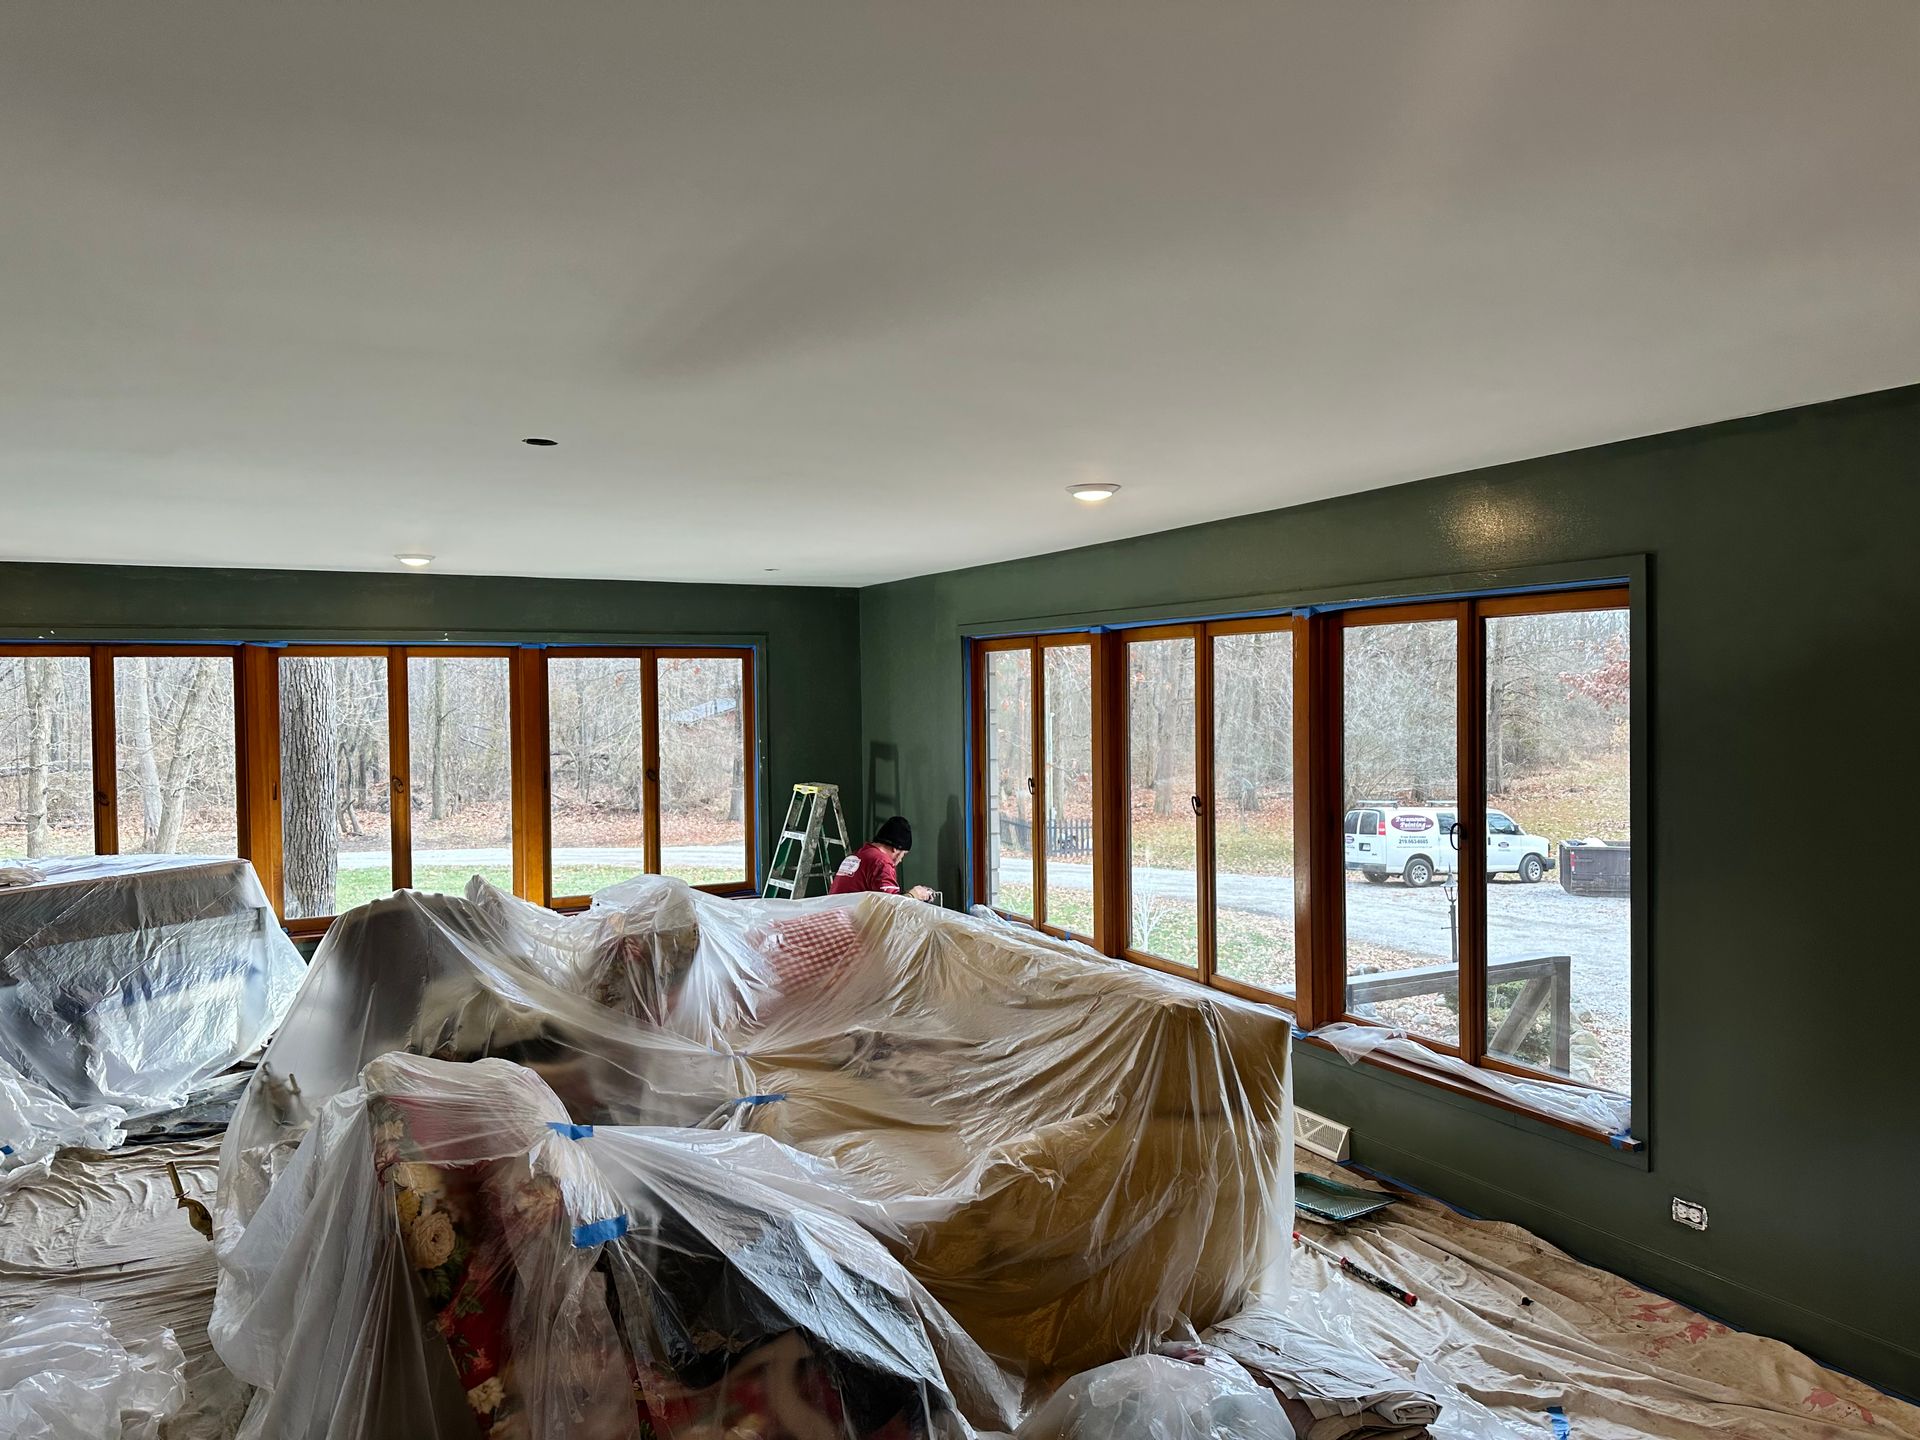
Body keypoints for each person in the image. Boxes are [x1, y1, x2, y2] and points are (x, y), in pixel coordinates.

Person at [829, 816, 933, 900]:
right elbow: (892, 907)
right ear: (896, 849)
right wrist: (914, 895)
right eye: (903, 854)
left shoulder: (859, 854)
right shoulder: (881, 862)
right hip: (849, 922)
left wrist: (906, 893)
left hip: (831, 917)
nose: (901, 860)